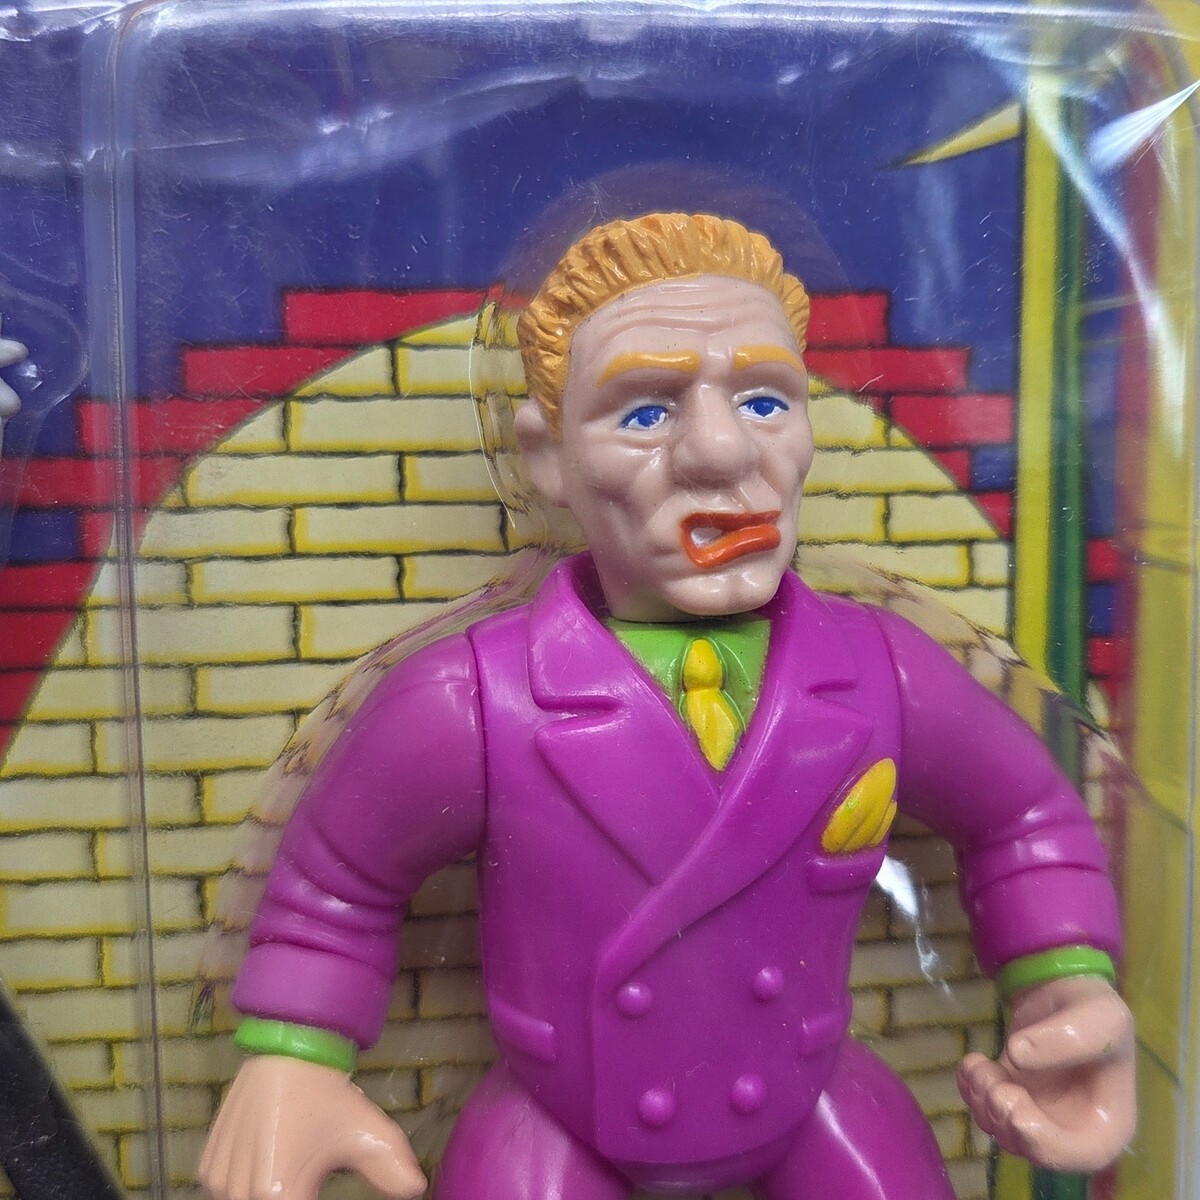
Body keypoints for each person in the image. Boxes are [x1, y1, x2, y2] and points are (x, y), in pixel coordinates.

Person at [199, 213, 1134, 1200]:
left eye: (766, 400)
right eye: (645, 413)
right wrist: (292, 1056)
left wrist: (1063, 981)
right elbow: (338, 880)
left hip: (809, 1095)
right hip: (557, 1121)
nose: (721, 453)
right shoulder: (475, 701)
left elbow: (1023, 813)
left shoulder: (880, 673)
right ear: (548, 458)